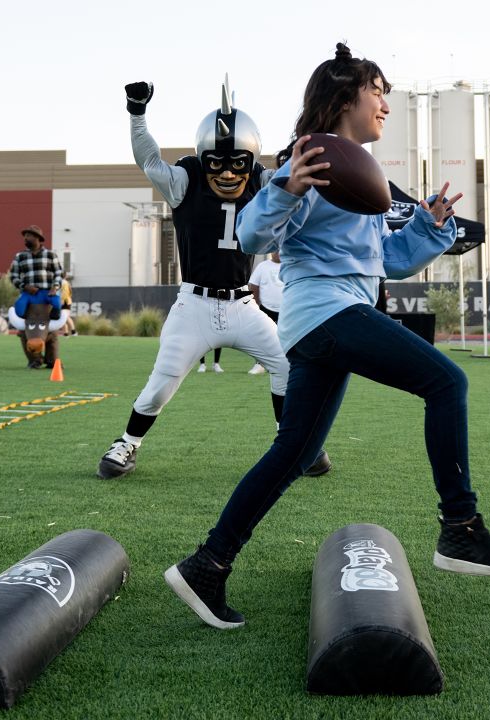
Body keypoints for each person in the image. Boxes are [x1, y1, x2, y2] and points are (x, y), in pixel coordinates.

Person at [164, 43, 490, 630]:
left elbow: (383, 261)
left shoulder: (355, 167)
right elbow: (256, 236)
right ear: (344, 98)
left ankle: (207, 564)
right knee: (447, 382)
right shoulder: (309, 160)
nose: (386, 103)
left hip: (330, 315)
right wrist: (286, 186)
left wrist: (427, 226)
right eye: (378, 90)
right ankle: (461, 530)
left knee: (296, 452)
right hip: (325, 313)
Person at [98, 77, 328, 479]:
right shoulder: (186, 179)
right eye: (216, 163)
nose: (225, 172)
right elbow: (149, 160)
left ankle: (293, 442)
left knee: (287, 365)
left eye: (236, 163)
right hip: (195, 305)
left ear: (250, 159)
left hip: (243, 304)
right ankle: (128, 443)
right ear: (202, 157)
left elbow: (298, 182)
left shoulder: (262, 180)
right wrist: (137, 114)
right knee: (162, 382)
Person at [8, 225, 65, 369]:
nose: (26, 238)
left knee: (50, 330)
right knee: (25, 331)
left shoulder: (51, 255)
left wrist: (55, 287)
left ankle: (52, 361)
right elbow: (13, 276)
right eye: (25, 236)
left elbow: (59, 273)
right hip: (29, 299)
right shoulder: (19, 256)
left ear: (38, 238)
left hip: (47, 298)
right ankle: (35, 360)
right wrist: (24, 287)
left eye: (29, 236)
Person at [246, 251, 284, 374]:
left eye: (280, 250)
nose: (277, 253)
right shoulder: (262, 266)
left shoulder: (289, 265)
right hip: (266, 309)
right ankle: (259, 364)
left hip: (286, 309)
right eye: (275, 250)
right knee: (263, 338)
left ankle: (284, 363)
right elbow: (253, 286)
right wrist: (255, 305)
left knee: (285, 338)